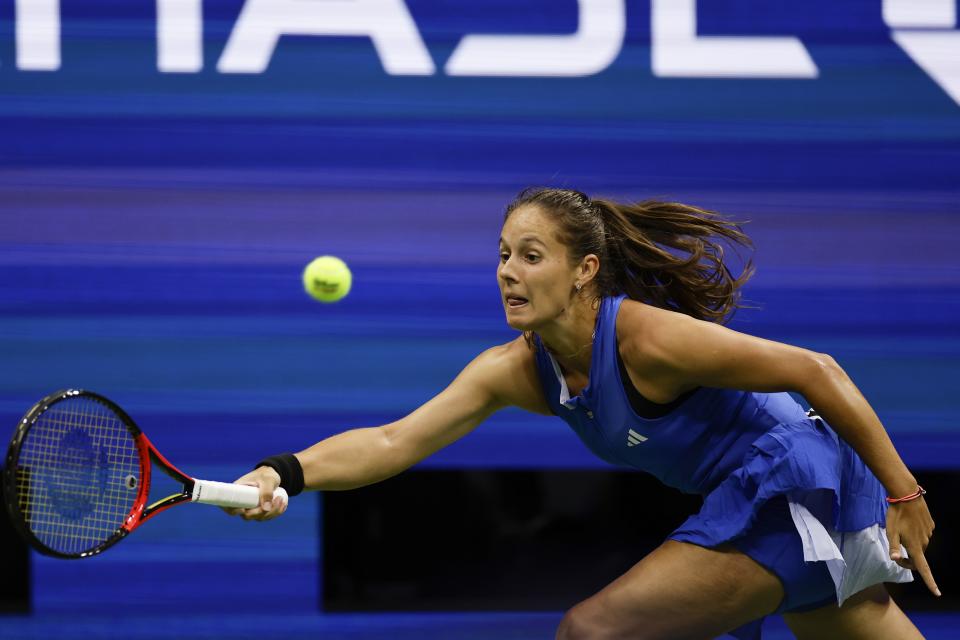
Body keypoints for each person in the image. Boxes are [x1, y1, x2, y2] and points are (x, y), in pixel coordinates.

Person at [227, 188, 938, 640]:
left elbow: (818, 371)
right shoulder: (517, 370)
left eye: (531, 255)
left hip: (793, 486)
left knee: (592, 633)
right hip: (768, 500)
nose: (509, 270)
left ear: (584, 270)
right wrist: (281, 471)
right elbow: (391, 441)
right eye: (503, 254)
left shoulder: (645, 339)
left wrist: (904, 491)